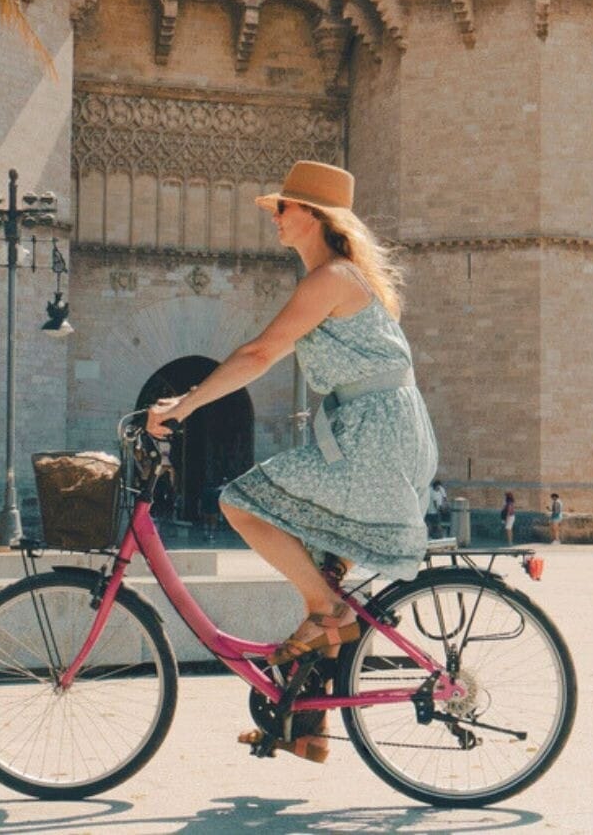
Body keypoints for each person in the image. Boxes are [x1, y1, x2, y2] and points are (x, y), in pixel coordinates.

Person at [146, 161, 439, 765]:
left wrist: (185, 404)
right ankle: (306, 729)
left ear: (315, 215)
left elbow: (260, 353)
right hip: (374, 433)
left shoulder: (331, 279)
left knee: (240, 503)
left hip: (372, 440)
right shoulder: (336, 278)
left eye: (284, 207)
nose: (276, 217)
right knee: (320, 579)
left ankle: (330, 613)